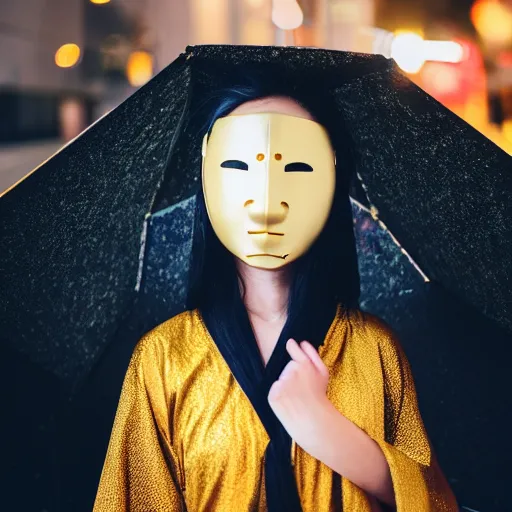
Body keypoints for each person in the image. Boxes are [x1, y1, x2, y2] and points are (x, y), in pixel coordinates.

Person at [93, 76, 458, 511]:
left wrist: (328, 430)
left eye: (299, 169)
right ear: (208, 174)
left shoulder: (374, 350)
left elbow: (437, 502)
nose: (267, 203)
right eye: (237, 167)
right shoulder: (164, 358)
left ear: (332, 177)